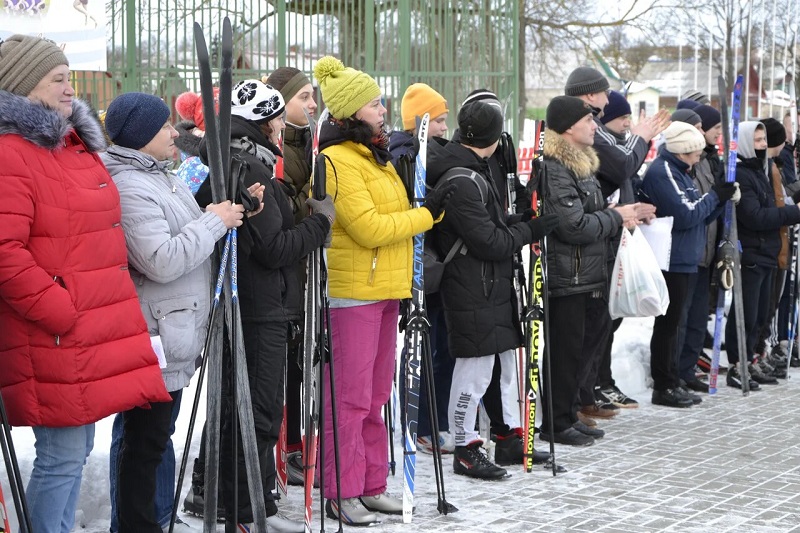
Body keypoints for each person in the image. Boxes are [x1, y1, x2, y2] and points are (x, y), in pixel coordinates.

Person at [0, 34, 170, 533]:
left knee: (74, 449)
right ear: (23, 84)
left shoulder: (71, 145)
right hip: (52, 330)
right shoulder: (12, 153)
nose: (70, 88)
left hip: (87, 328)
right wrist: (61, 308)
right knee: (63, 454)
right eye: (59, 78)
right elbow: (5, 251)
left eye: (70, 76)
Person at [312, 56, 454, 526]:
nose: (383, 109)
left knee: (375, 396)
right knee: (349, 399)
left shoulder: (376, 155)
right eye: (374, 103)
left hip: (384, 290)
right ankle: (340, 490)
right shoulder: (335, 161)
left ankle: (371, 484)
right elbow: (369, 228)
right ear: (352, 111)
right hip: (352, 295)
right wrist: (426, 214)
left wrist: (421, 210)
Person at [101, 92, 251, 532]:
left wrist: (220, 212)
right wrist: (212, 222)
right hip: (154, 331)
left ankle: (148, 521)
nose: (174, 132)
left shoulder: (159, 176)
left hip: (174, 328)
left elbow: (181, 229)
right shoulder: (130, 185)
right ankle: (136, 525)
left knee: (153, 438)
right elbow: (161, 259)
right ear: (140, 134)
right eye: (164, 126)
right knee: (144, 443)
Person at [194, 79, 333, 533]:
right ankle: (244, 509)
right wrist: (319, 223)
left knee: (247, 409)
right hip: (260, 310)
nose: (280, 127)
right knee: (258, 413)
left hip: (252, 307)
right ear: (263, 120)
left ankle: (246, 504)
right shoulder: (250, 168)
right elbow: (273, 249)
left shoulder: (231, 161)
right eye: (275, 118)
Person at [426, 98, 559, 478]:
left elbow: (494, 223)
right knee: (474, 370)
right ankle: (465, 447)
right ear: (494, 138)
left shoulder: (474, 168)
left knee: (501, 366)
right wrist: (530, 229)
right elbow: (490, 241)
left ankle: (507, 438)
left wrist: (525, 217)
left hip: (488, 284)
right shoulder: (461, 178)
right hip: (471, 286)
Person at [536, 96, 650, 446]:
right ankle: (555, 422)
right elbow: (571, 226)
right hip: (567, 274)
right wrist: (615, 217)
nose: (594, 126)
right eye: (588, 120)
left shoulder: (582, 163)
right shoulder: (555, 168)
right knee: (564, 351)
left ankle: (568, 413)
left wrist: (621, 211)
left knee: (579, 350)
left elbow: (589, 210)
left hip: (587, 272)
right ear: (569, 127)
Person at [564, 68, 667, 423]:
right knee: (585, 331)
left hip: (607, 242)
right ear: (588, 96)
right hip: (586, 253)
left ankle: (585, 396)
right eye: (604, 96)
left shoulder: (591, 134)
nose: (606, 108)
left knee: (600, 327)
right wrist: (640, 137)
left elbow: (618, 175)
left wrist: (630, 210)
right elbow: (622, 164)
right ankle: (572, 404)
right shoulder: (578, 139)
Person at [638, 121, 731, 408]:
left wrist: (720, 200)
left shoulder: (681, 171)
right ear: (682, 152)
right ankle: (663, 384)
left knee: (677, 323)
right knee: (669, 326)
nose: (699, 158)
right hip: (672, 258)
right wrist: (715, 195)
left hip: (687, 257)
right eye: (695, 153)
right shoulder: (664, 171)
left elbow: (699, 212)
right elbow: (685, 214)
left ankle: (673, 378)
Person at [388, 82, 456, 456]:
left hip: (434, 261)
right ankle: (420, 424)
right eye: (440, 120)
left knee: (437, 343)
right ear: (422, 122)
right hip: (419, 263)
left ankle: (432, 421)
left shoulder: (431, 151)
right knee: (421, 345)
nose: (446, 127)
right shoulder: (406, 155)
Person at [264, 66, 318, 486]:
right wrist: (315, 198)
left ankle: (296, 447)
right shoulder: (279, 147)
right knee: (280, 372)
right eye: (303, 97)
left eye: (312, 97)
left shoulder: (306, 142)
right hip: (281, 275)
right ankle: (282, 450)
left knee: (298, 368)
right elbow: (285, 212)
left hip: (303, 274)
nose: (312, 104)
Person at [726, 121, 800, 389]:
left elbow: (774, 205)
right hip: (753, 252)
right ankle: (738, 363)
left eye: (763, 139)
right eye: (756, 140)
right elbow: (755, 216)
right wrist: (795, 213)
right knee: (746, 313)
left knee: (760, 315)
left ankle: (752, 358)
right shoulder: (744, 174)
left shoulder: (763, 170)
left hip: (769, 250)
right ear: (746, 142)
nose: (761, 145)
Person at [675, 103, 724, 392]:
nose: (707, 134)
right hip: (687, 253)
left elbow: (708, 209)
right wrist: (716, 197)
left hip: (705, 252)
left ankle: (688, 368)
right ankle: (674, 373)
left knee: (696, 319)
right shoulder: (680, 167)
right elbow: (689, 211)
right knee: (681, 319)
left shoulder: (705, 161)